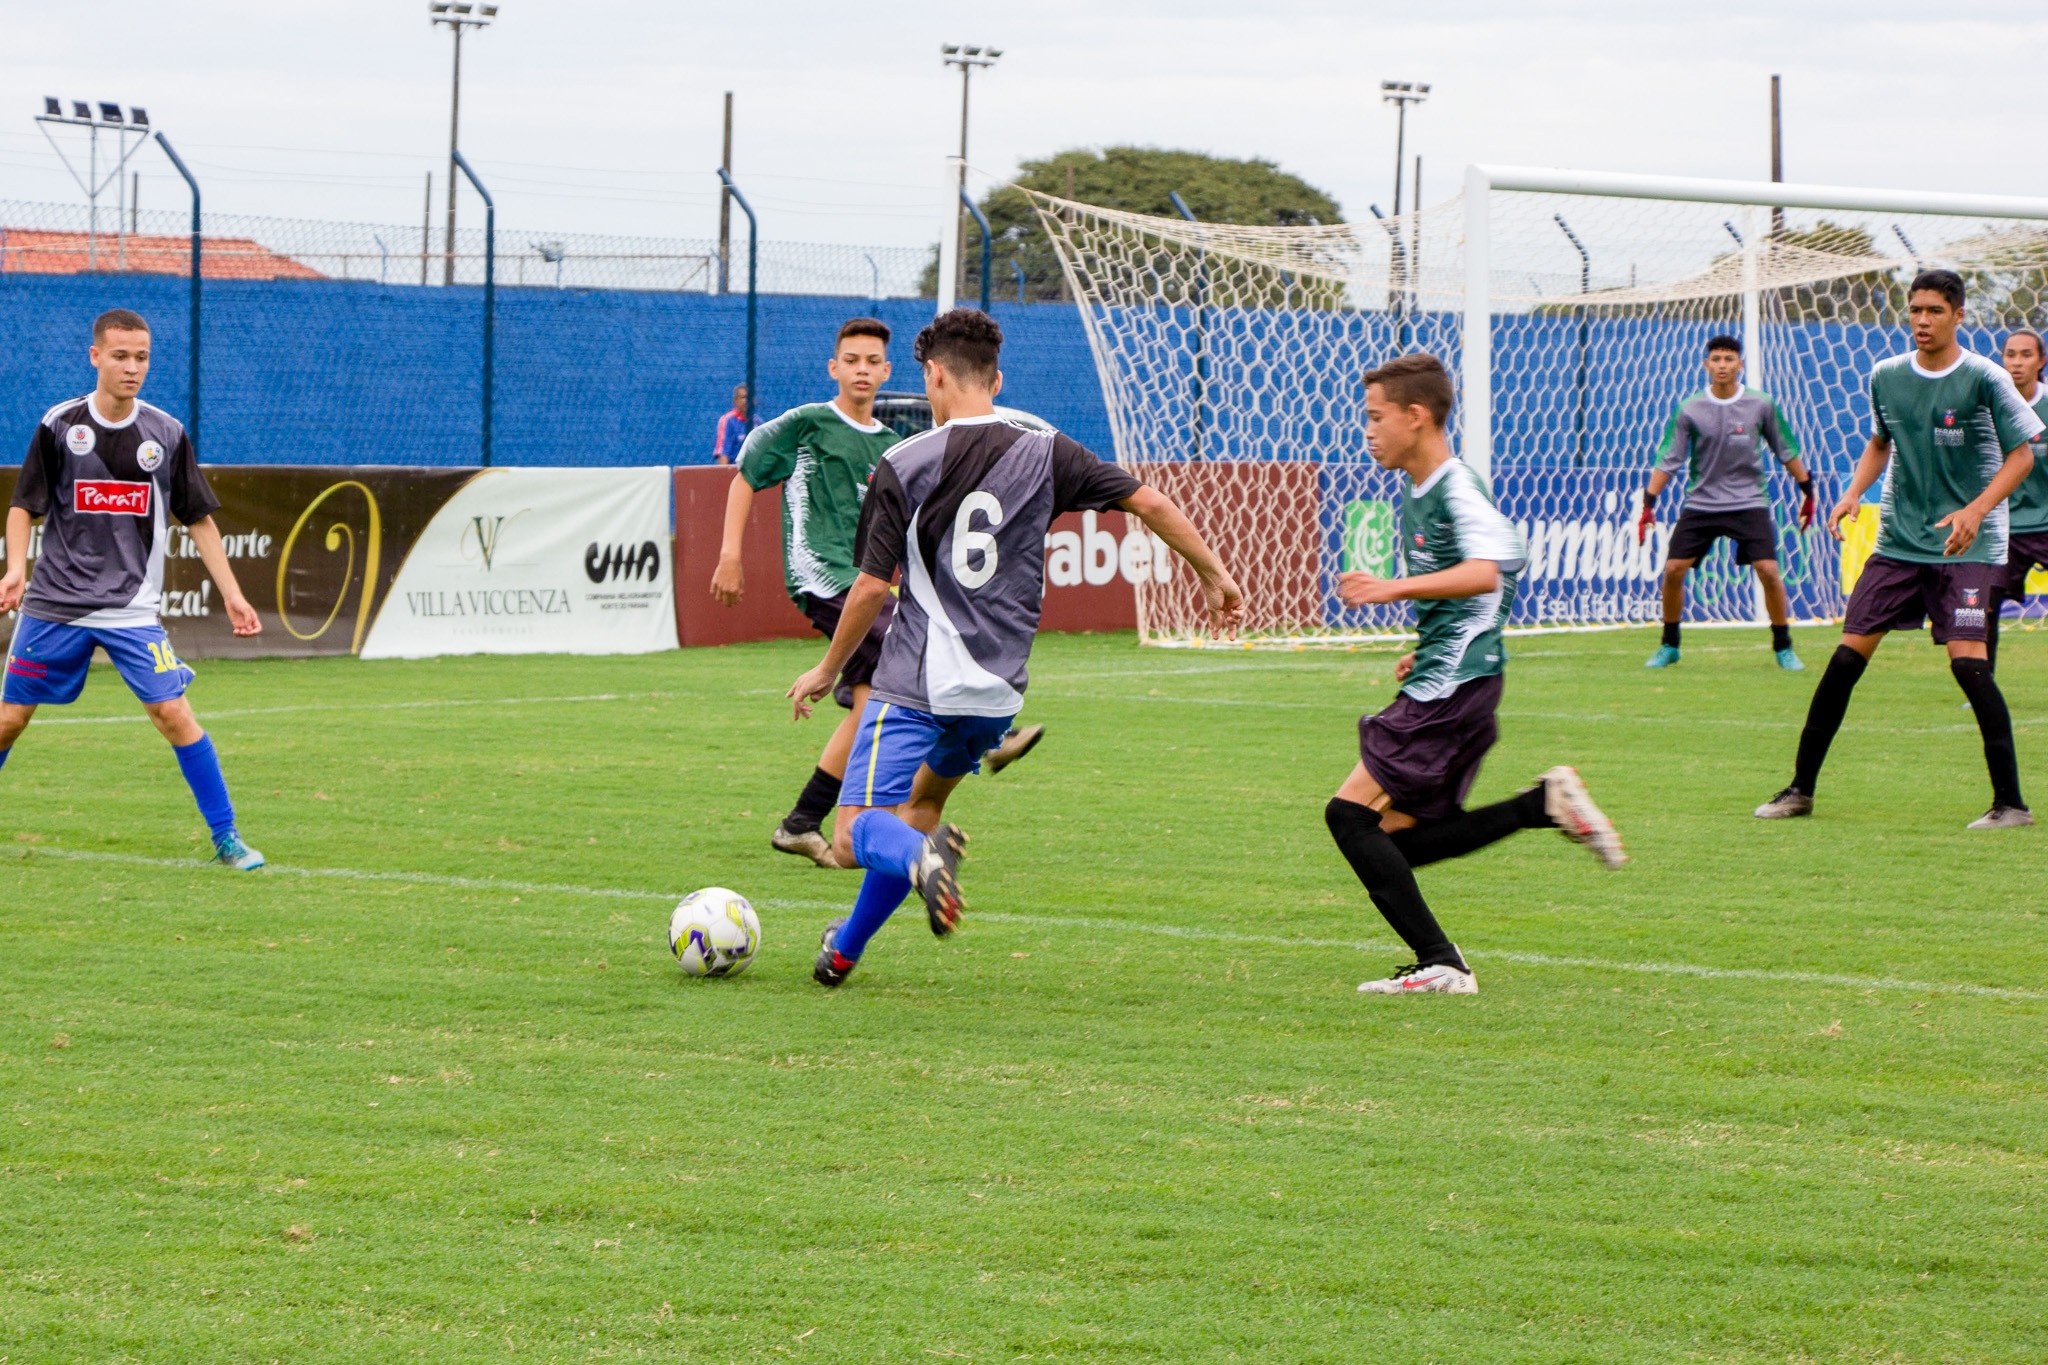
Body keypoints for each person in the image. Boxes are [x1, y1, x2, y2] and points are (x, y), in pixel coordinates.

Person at [789, 308, 1243, 987]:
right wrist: (1213, 573)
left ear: (933, 376)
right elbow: (1150, 504)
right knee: (921, 810)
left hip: (918, 683)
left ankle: (920, 858)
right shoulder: (1049, 451)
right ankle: (844, 951)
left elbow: (871, 587)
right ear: (996, 380)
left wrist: (830, 667)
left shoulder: (903, 463)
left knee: (856, 833)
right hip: (996, 695)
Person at [1327, 353, 1625, 997]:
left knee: (1349, 817)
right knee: (1396, 842)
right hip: (1454, 677)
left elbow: (1492, 570)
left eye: (1376, 417)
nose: (1368, 431)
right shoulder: (1419, 490)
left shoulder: (1457, 486)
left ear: (1416, 415)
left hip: (1452, 687)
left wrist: (1391, 588)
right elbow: (1471, 590)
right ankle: (1538, 806)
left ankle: (1444, 964)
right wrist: (1427, 643)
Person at [713, 318, 1041, 869]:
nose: (861, 370)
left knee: (872, 701)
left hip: (872, 584)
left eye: (872, 362)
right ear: (834, 368)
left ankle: (802, 823)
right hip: (827, 577)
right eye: (851, 360)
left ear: (888, 371)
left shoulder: (895, 447)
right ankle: (988, 737)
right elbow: (746, 475)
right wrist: (729, 554)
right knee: (917, 643)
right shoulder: (808, 424)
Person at [1756, 270, 2038, 829]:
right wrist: (1852, 494)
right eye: (1915, 310)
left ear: (1958, 315)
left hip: (1966, 549)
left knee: (1970, 666)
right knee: (1844, 660)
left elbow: (2022, 456)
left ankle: (2011, 804)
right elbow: (1880, 442)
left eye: (1934, 311)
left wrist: (1975, 510)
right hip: (1900, 543)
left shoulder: (1985, 377)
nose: (1922, 321)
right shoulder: (1886, 375)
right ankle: (1800, 790)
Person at [0, 308, 266, 868]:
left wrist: (233, 594)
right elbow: (24, 505)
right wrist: (16, 569)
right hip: (55, 605)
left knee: (174, 714)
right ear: (95, 356)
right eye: (120, 356)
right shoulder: (60, 424)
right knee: (9, 721)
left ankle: (227, 838)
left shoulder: (165, 433)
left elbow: (199, 520)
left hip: (131, 611)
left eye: (141, 357)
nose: (132, 367)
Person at [1638, 335, 1816, 670]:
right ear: (1706, 365)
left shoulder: (1760, 405)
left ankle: (1783, 647)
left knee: (1769, 571)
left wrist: (1807, 489)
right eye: (1717, 359)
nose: (1723, 365)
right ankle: (1669, 645)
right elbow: (1669, 458)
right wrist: (1649, 502)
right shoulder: (1690, 408)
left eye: (1729, 359)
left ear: (1740, 364)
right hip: (1702, 503)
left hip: (1749, 502)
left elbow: (1786, 449)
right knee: (1673, 570)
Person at [1990, 327, 2048, 670]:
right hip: (2003, 529)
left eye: (2026, 355)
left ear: (2041, 361)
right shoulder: (1989, 406)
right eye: (2010, 355)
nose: (2017, 362)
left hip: (2046, 525)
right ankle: (1980, 681)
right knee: (1983, 607)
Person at [711, 384, 751, 466]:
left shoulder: (758, 422)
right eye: (743, 397)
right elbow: (723, 454)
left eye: (749, 397)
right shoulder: (728, 420)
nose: (746, 401)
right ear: (735, 401)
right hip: (735, 469)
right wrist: (724, 473)